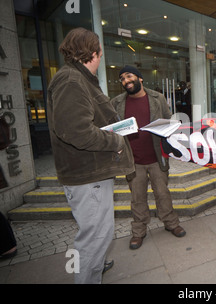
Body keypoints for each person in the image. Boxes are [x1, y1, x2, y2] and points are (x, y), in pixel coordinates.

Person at [47, 28, 135, 283]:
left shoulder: (77, 78)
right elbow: (76, 132)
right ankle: (88, 275)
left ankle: (96, 264)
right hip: (87, 176)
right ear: (94, 53)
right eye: (100, 53)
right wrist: (116, 140)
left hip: (90, 173)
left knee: (96, 234)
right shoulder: (72, 80)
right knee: (96, 236)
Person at [111, 65, 186, 251]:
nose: (126, 81)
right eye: (122, 78)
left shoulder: (157, 98)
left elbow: (169, 122)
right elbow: (111, 129)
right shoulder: (116, 102)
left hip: (156, 158)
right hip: (133, 160)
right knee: (137, 198)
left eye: (129, 76)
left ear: (139, 78)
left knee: (162, 193)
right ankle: (138, 231)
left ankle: (171, 222)